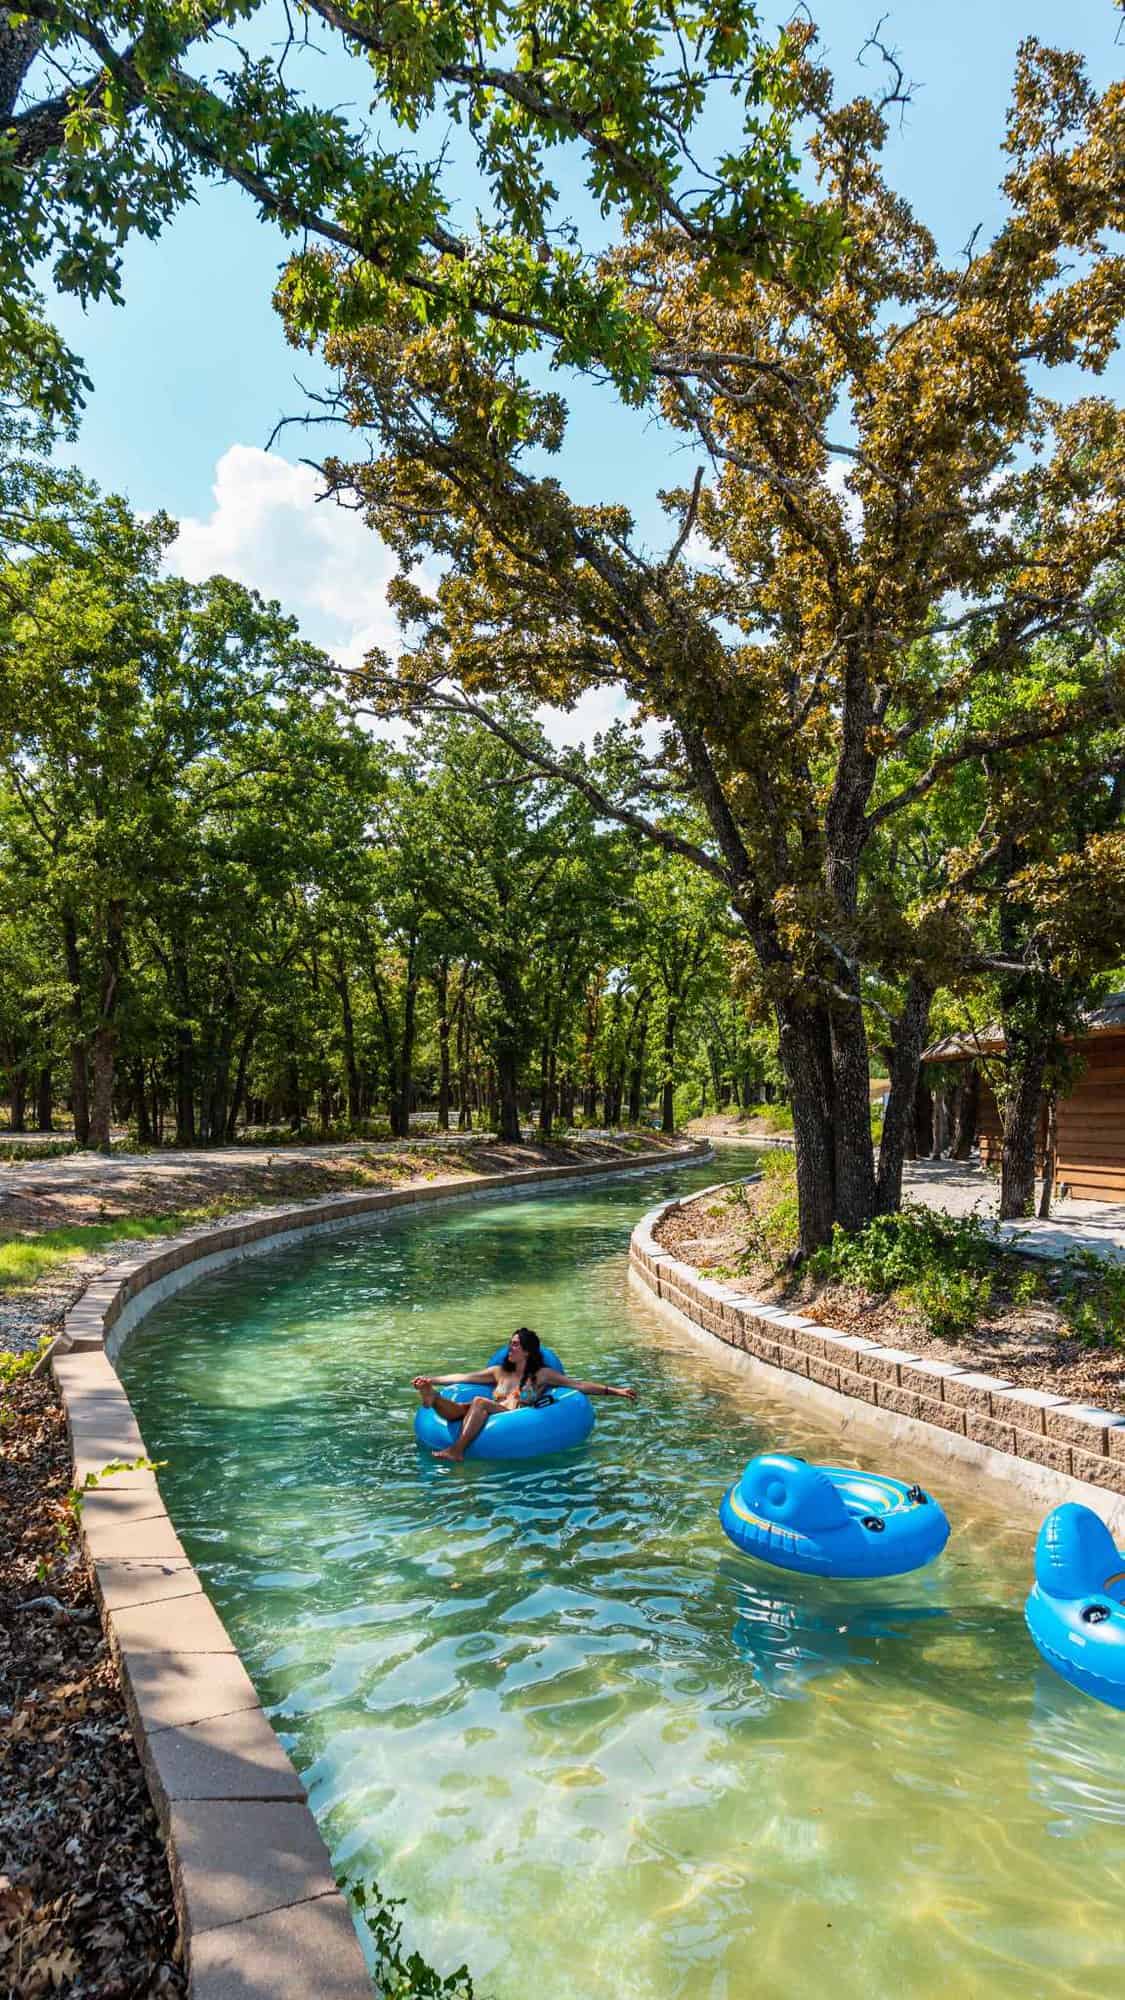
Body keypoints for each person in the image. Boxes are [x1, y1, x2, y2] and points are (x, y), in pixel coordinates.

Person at [413, 1325, 637, 1462]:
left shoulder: (542, 1375)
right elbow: (462, 1377)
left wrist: (615, 1391)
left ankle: (457, 1450)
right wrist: (433, 1380)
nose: (509, 1349)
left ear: (528, 1351)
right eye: (510, 1344)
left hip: (512, 1417)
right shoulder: (498, 1372)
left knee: (479, 1402)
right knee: (459, 1409)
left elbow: (579, 1385)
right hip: (485, 1414)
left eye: (515, 1345)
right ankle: (433, 1396)